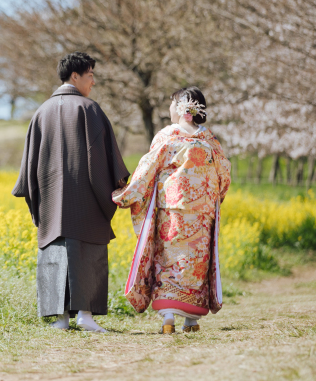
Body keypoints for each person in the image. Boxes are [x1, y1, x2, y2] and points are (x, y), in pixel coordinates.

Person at [13, 52, 130, 332]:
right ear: (74, 76)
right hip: (87, 196)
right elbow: (104, 157)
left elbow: (30, 165)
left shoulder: (41, 113)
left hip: (51, 199)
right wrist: (116, 185)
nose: (93, 80)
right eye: (90, 74)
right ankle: (85, 316)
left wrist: (37, 195)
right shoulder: (90, 110)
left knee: (55, 250)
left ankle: (61, 320)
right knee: (86, 251)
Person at [112, 86, 231, 334]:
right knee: (197, 261)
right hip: (202, 212)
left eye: (171, 103)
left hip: (173, 210)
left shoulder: (168, 136)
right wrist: (211, 198)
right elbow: (224, 174)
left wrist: (126, 193)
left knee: (170, 259)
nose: (168, 108)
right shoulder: (209, 139)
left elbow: (148, 167)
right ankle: (192, 320)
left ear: (180, 107)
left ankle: (168, 317)